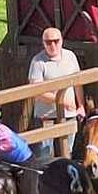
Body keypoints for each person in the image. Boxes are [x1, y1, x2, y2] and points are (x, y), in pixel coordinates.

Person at [28, 27, 84, 157]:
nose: (52, 45)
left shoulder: (70, 56)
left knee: (68, 153)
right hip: (46, 116)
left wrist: (80, 106)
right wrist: (61, 100)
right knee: (45, 155)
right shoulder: (38, 62)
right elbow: (37, 91)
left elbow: (78, 83)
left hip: (69, 114)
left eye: (56, 41)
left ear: (62, 41)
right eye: (48, 42)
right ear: (43, 43)